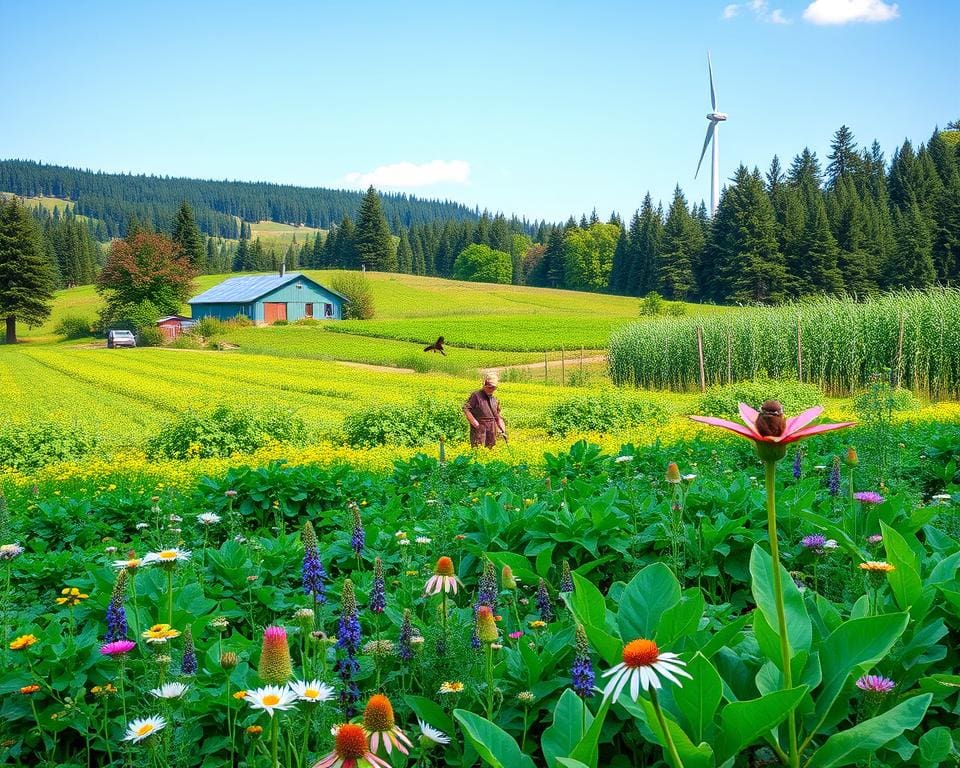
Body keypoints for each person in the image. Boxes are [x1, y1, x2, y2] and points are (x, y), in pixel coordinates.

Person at [463, 373, 506, 448]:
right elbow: (466, 409)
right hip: (480, 430)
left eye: (493, 388)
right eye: (489, 387)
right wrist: (476, 424)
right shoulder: (476, 395)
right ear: (484, 385)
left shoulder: (495, 399)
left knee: (490, 452)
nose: (491, 390)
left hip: (492, 431)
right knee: (479, 451)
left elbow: (498, 417)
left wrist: (502, 430)